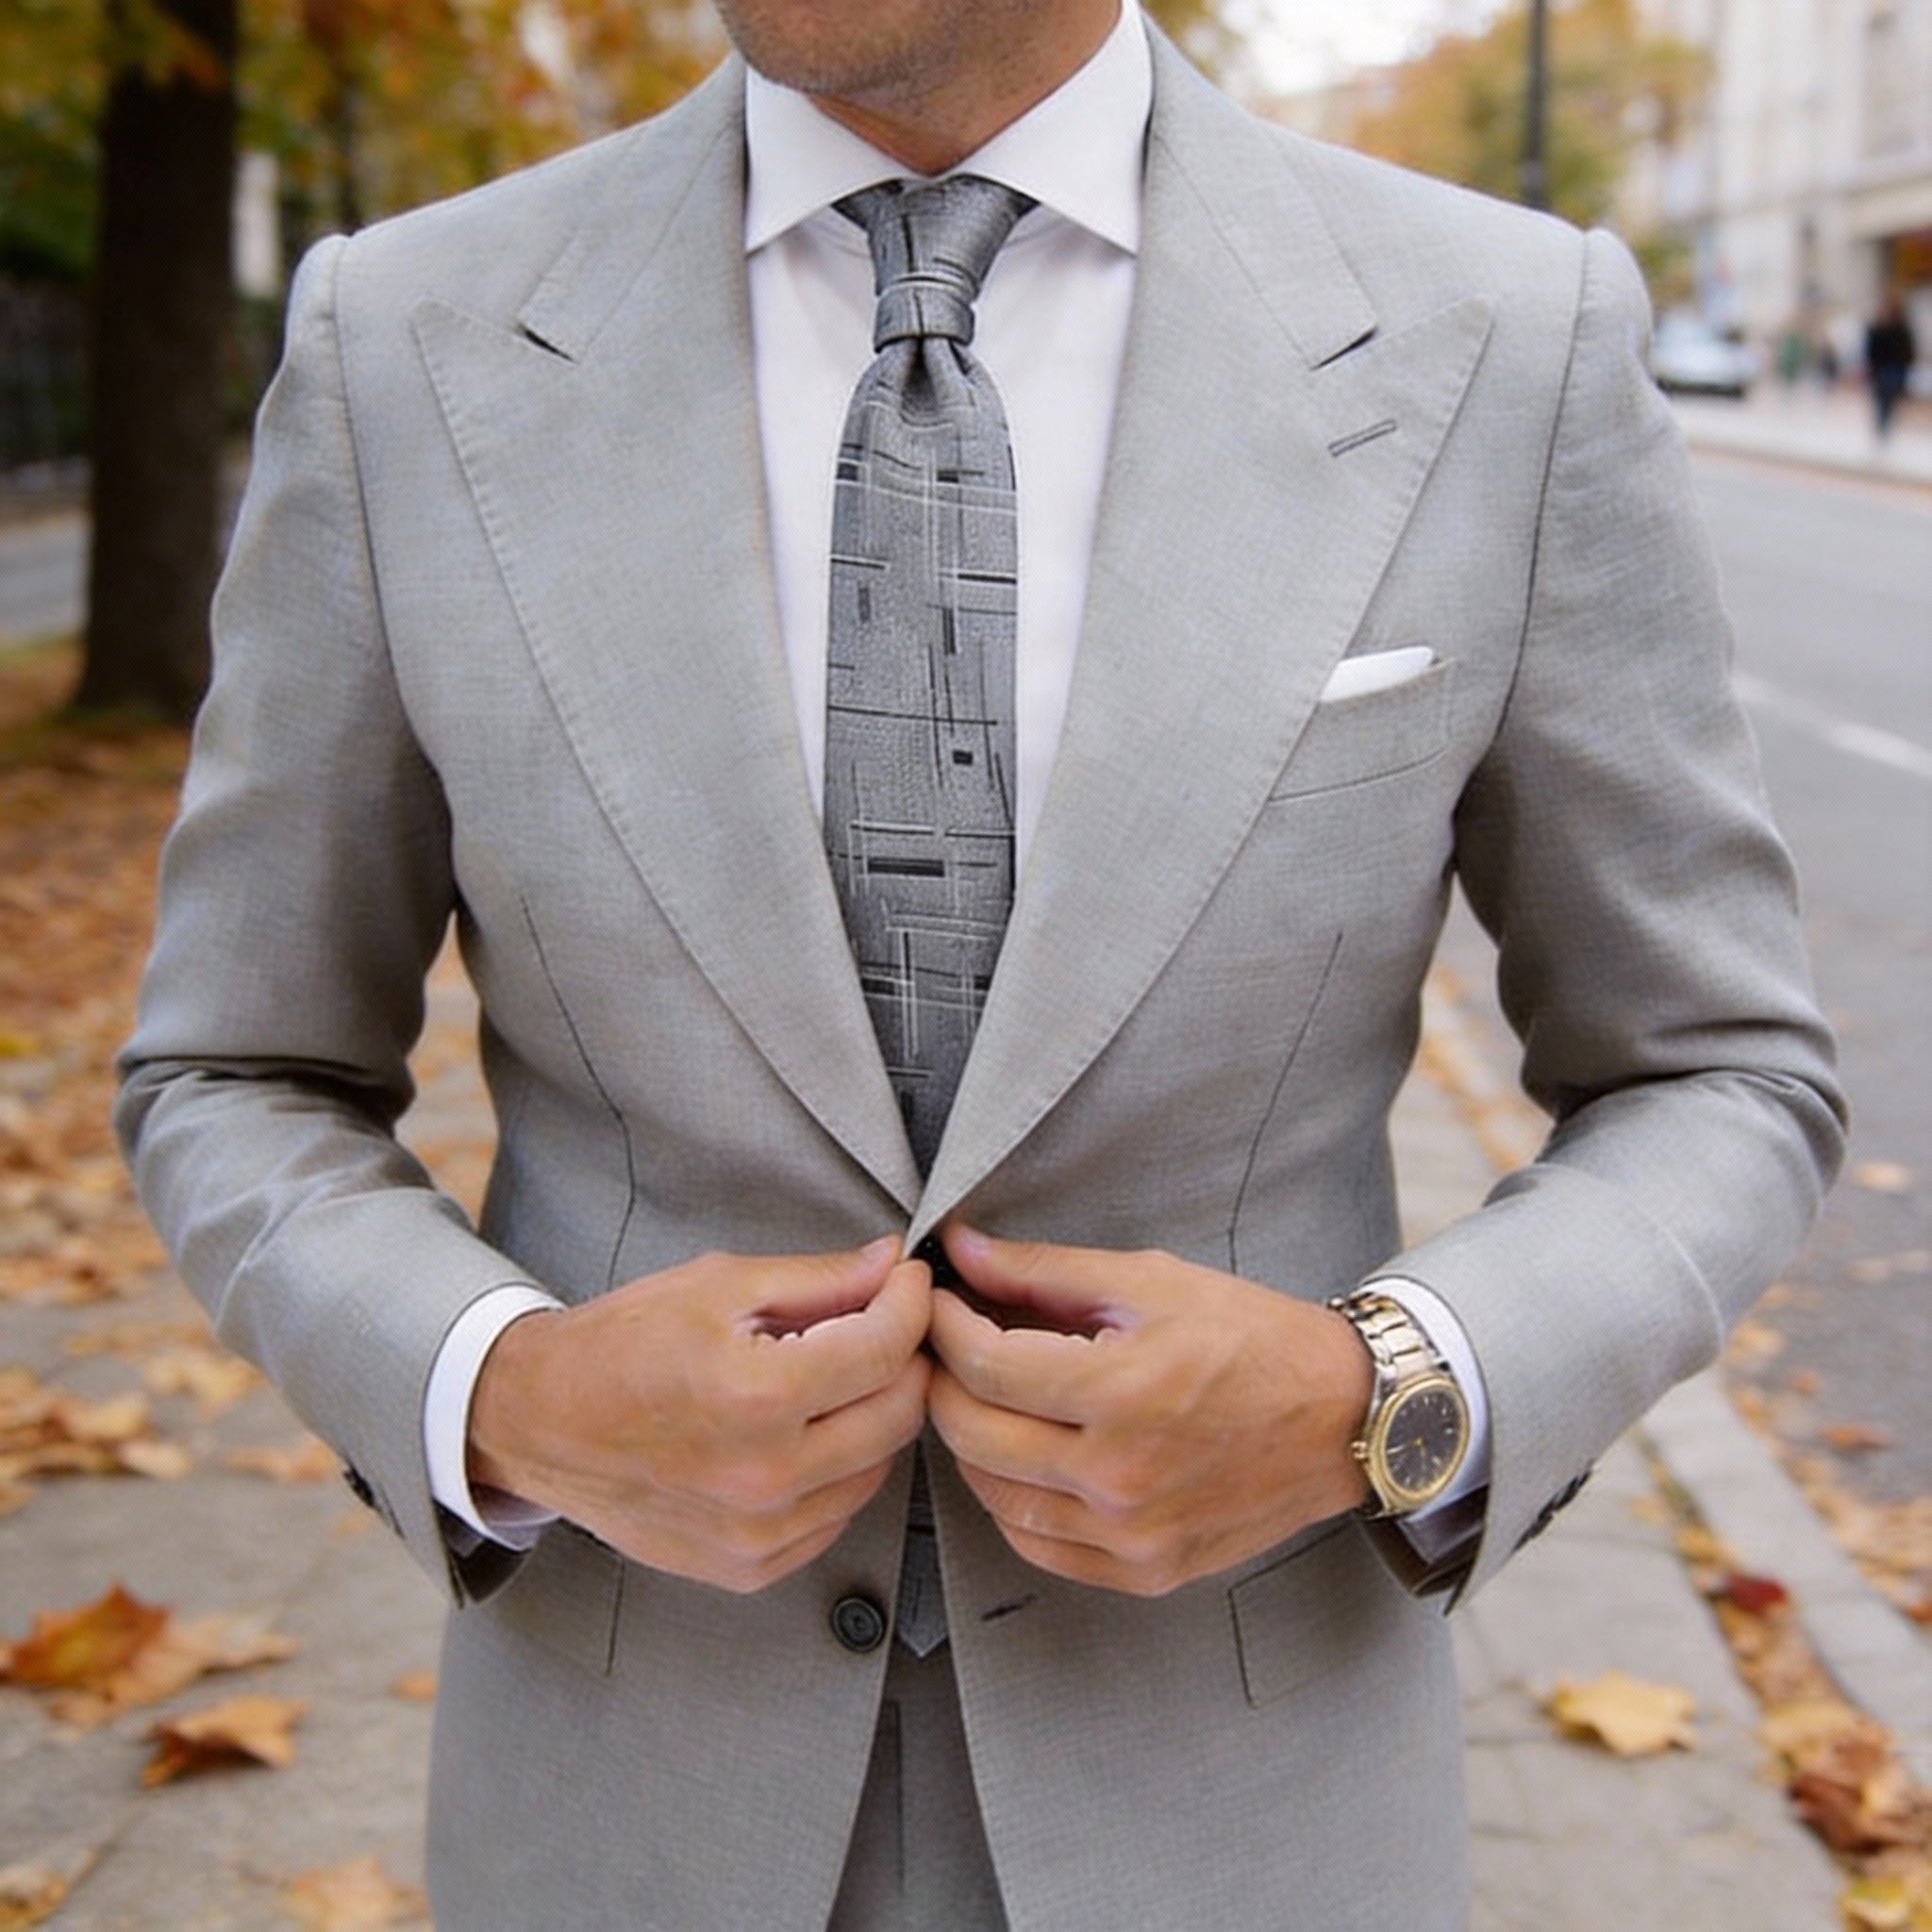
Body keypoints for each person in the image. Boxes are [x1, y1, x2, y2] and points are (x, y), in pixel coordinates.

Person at [117, 3, 1844, 1927]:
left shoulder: (1505, 339)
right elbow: (234, 1066)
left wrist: (1387, 1395)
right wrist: (501, 1391)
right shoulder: (404, 344)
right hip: (628, 1811)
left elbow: (1717, 1069)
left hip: (1245, 1811)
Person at [1866, 289, 1918, 439]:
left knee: (1888, 398)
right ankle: (1882, 426)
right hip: (1884, 368)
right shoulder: (1881, 326)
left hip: (1893, 368)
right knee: (1884, 397)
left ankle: (1884, 425)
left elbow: (1907, 348)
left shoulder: (1900, 326)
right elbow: (1873, 348)